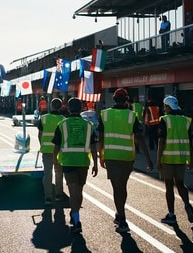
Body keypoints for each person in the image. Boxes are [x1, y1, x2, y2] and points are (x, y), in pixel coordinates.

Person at [99, 88, 153, 234]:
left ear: (114, 99)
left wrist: (101, 155)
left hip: (111, 157)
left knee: (117, 188)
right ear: (127, 100)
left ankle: (122, 218)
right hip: (127, 158)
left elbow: (101, 137)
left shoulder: (105, 114)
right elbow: (140, 138)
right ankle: (120, 214)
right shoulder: (131, 116)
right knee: (122, 187)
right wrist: (148, 159)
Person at [53, 97, 98, 234]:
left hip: (68, 162)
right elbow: (93, 146)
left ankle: (76, 219)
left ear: (67, 108)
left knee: (73, 192)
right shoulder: (88, 125)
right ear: (81, 109)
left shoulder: (62, 125)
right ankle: (75, 215)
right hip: (83, 162)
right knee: (79, 191)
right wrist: (95, 163)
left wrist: (56, 161)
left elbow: (56, 147)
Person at [157, 95, 193, 225]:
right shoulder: (186, 121)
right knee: (180, 183)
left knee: (169, 187)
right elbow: (191, 142)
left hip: (168, 158)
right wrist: (191, 159)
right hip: (181, 158)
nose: (164, 109)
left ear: (168, 107)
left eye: (165, 106)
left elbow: (161, 142)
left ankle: (172, 215)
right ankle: (187, 204)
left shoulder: (165, 120)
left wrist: (158, 160)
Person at [37, 97, 65, 204]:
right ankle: (58, 195)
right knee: (59, 173)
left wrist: (43, 145)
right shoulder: (63, 119)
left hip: (47, 150)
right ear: (60, 106)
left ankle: (48, 197)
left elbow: (39, 135)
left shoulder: (43, 118)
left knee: (47, 174)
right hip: (59, 151)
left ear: (51, 106)